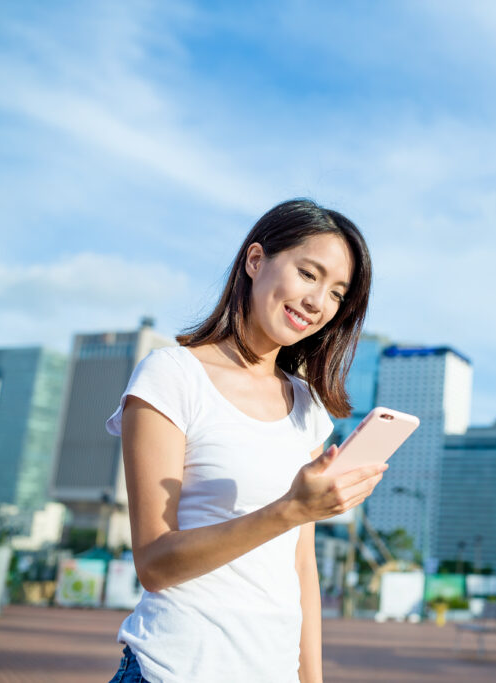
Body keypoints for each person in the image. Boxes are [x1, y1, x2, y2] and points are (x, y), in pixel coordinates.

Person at [105, 199, 386, 683]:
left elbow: (302, 569)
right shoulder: (172, 376)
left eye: (338, 293)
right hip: (172, 670)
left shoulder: (308, 407)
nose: (319, 302)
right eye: (308, 273)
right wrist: (290, 509)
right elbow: (153, 563)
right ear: (256, 261)